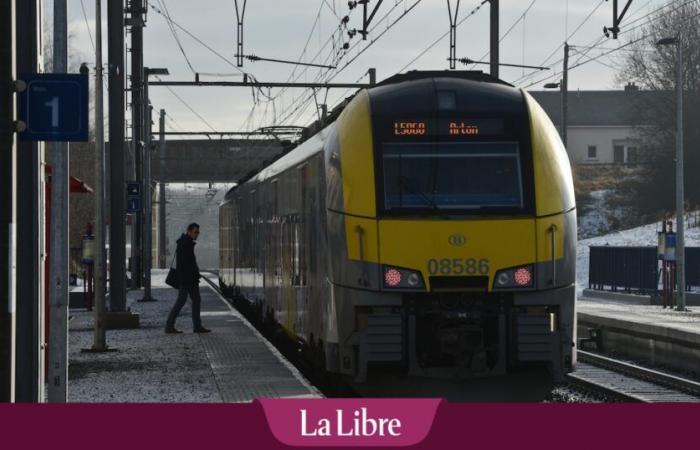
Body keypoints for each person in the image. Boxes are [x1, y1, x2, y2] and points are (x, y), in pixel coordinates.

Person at [165, 223, 211, 334]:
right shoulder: (185, 244)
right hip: (187, 280)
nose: (197, 234)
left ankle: (196, 326)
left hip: (189, 278)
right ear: (189, 231)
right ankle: (170, 325)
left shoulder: (186, 242)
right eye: (195, 232)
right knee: (182, 301)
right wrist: (194, 274)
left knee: (194, 300)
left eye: (198, 232)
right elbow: (186, 264)